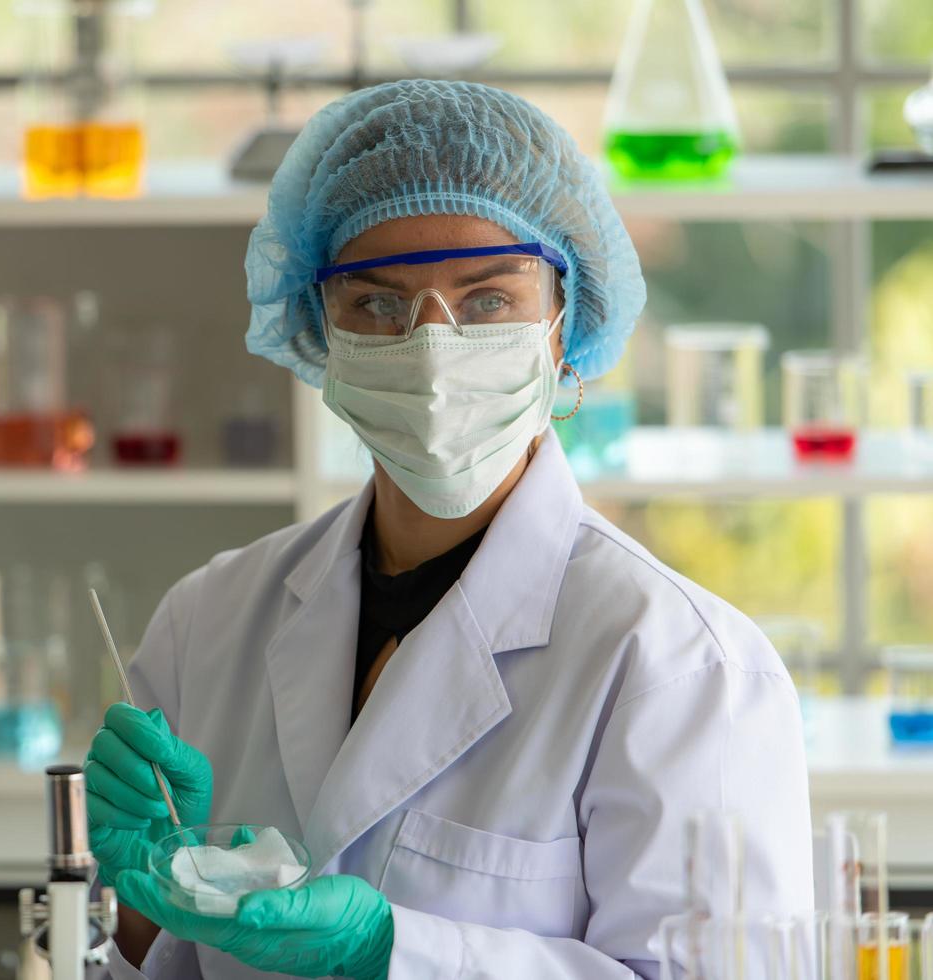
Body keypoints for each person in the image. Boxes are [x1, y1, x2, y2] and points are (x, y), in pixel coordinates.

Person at [83, 80, 812, 979]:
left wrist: (400, 952)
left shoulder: (684, 667)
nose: (432, 348)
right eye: (378, 304)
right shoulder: (211, 619)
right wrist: (145, 914)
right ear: (321, 332)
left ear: (564, 326)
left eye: (488, 299)